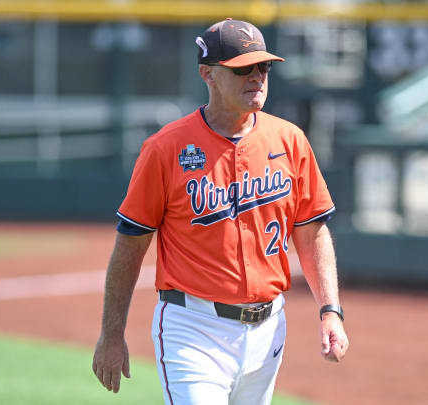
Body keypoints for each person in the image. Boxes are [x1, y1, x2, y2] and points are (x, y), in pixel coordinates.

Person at [92, 18, 349, 405]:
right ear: (207, 74)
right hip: (193, 328)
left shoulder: (289, 139)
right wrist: (112, 334)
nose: (257, 77)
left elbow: (311, 231)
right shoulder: (166, 148)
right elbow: (131, 243)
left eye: (263, 67)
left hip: (268, 331)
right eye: (242, 68)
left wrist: (330, 310)